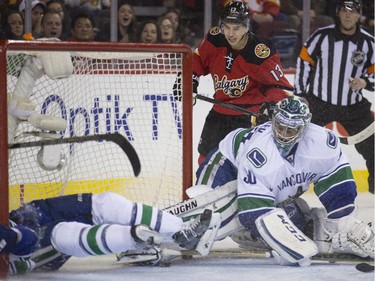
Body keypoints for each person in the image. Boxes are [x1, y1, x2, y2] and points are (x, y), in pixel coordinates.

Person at [194, 96, 374, 265]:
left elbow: (339, 187)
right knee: (207, 217)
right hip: (228, 164)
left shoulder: (323, 144)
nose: (283, 134)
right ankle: (173, 227)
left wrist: (343, 222)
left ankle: (313, 223)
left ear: (303, 127)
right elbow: (253, 213)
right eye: (280, 127)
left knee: (297, 226)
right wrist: (288, 247)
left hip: (266, 181)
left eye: (291, 129)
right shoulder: (260, 154)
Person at [173, 1, 293, 165]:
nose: (230, 33)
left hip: (248, 117)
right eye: (227, 27)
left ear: (246, 26)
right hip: (219, 111)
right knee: (206, 159)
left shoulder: (260, 52)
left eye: (236, 28)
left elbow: (279, 87)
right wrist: (188, 81)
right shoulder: (215, 39)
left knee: (243, 164)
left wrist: (271, 105)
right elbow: (198, 60)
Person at [1, 192, 213, 274]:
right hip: (21, 254)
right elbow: (26, 241)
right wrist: (13, 235)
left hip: (21, 218)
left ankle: (180, 230)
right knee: (63, 234)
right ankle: (132, 239)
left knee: (107, 203)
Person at [293, 0, 374, 193]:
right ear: (338, 13)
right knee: (298, 145)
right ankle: (292, 187)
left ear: (358, 15)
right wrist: (301, 95)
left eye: (352, 11)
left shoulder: (369, 43)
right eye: (344, 11)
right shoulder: (321, 36)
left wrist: (365, 82)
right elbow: (304, 62)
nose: (348, 15)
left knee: (373, 148)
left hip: (353, 107)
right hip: (318, 103)